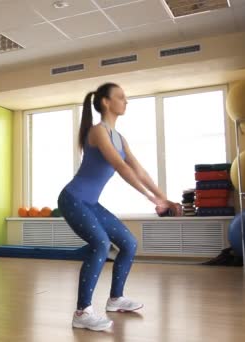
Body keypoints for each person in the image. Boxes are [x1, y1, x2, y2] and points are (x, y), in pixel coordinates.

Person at [58, 83, 180, 331]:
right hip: (73, 199)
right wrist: (151, 199)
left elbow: (139, 170)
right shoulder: (98, 132)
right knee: (101, 244)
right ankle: (82, 312)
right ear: (105, 102)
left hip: (91, 203)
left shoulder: (120, 138)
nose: (126, 101)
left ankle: (115, 299)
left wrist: (163, 198)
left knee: (129, 243)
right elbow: (122, 168)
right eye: (120, 97)